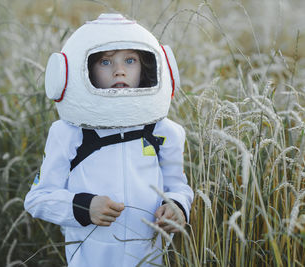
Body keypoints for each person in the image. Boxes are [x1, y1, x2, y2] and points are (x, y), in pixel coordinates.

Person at [24, 13, 193, 267]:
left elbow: (178, 186)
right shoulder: (69, 133)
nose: (119, 70)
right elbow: (38, 198)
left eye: (130, 60)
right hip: (90, 258)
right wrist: (84, 207)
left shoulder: (164, 131)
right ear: (85, 70)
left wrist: (177, 206)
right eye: (105, 62)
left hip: (150, 258)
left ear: (149, 65)